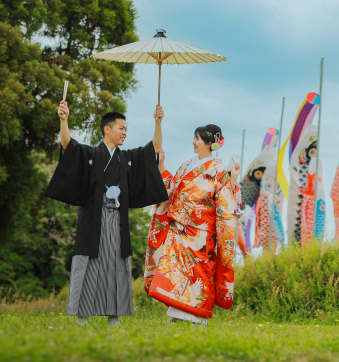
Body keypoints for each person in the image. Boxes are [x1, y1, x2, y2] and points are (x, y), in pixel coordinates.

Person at [46, 101, 168, 325]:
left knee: (115, 262)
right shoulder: (90, 154)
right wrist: (64, 120)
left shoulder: (128, 158)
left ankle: (114, 316)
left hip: (117, 219)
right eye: (121, 128)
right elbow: (67, 144)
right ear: (107, 129)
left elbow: (155, 148)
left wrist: (157, 122)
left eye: (126, 129)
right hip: (93, 218)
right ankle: (82, 315)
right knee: (89, 261)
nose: (125, 133)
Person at [144, 124, 240, 325]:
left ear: (209, 143)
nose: (193, 142)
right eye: (194, 138)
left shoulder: (220, 170)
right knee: (176, 271)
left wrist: (232, 182)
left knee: (200, 273)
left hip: (202, 232)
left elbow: (226, 201)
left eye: (197, 138)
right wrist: (161, 165)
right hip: (179, 228)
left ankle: (198, 316)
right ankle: (177, 315)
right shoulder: (187, 164)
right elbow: (172, 187)